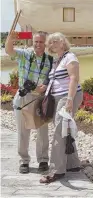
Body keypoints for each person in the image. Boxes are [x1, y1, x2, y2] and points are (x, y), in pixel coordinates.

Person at [5, 30, 53, 174]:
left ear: (45, 44)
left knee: (42, 131)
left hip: (40, 99)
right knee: (22, 131)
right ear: (33, 42)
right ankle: (24, 161)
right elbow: (9, 50)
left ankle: (43, 160)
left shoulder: (50, 60)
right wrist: (10, 39)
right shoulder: (24, 54)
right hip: (23, 97)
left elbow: (52, 78)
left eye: (41, 42)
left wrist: (46, 86)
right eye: (36, 41)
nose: (38, 44)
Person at [40, 32, 83, 183]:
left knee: (59, 130)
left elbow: (74, 78)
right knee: (65, 129)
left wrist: (70, 99)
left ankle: (56, 170)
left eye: (55, 42)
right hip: (58, 98)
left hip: (67, 97)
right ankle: (73, 164)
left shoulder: (70, 57)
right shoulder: (58, 60)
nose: (52, 45)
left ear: (63, 43)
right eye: (50, 43)